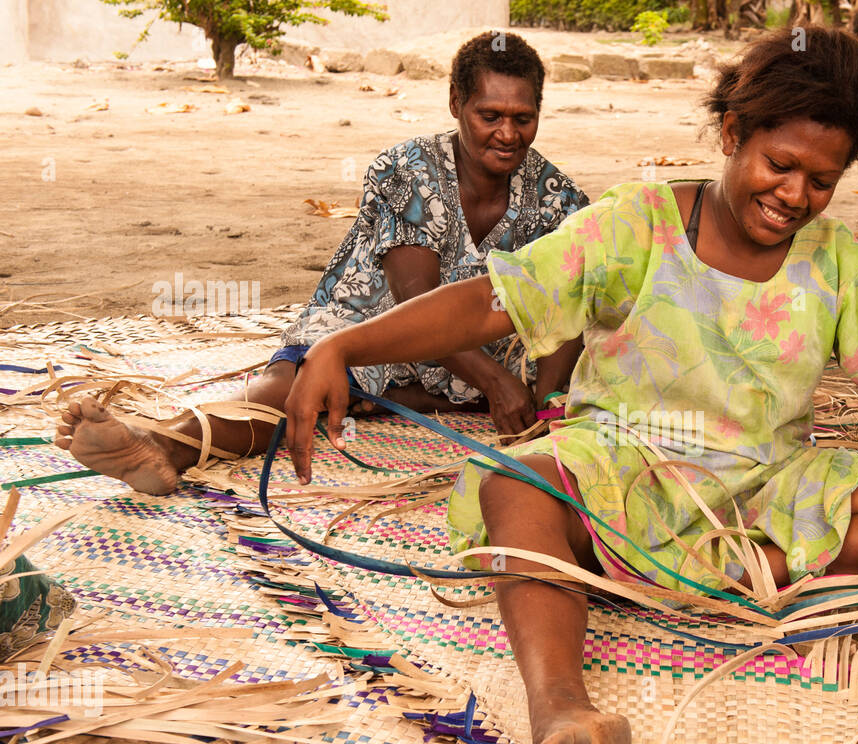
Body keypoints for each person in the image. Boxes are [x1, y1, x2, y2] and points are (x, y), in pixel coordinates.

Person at [212, 29, 858, 744]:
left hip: (763, 484)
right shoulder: (633, 226)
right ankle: (564, 713)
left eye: (821, 180)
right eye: (778, 162)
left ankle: (707, 570)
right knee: (518, 484)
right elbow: (486, 305)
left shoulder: (836, 266)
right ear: (729, 130)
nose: (793, 195)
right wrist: (342, 348)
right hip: (623, 461)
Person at [55, 31, 588, 495]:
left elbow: (573, 301)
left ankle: (393, 396)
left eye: (524, 118)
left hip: (483, 345)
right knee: (296, 384)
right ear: (455, 102)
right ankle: (164, 444)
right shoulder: (407, 168)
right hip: (372, 322)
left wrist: (546, 403)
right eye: (489, 115)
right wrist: (496, 384)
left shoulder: (560, 199)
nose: (508, 134)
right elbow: (415, 301)